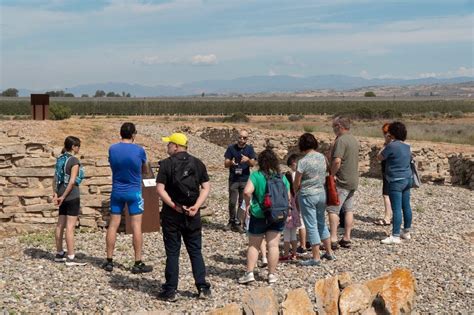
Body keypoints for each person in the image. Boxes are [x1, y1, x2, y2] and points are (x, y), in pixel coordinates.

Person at [156, 132, 211, 301]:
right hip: (193, 214)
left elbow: (160, 189)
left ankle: (171, 290)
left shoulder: (166, 164)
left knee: (173, 252)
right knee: (195, 251)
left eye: (169, 144)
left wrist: (174, 206)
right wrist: (196, 206)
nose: (167, 147)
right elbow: (206, 187)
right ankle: (202, 287)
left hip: (172, 214)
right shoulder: (198, 163)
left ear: (176, 146)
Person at [102, 122, 153, 274]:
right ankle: (137, 262)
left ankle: (109, 260)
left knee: (113, 225)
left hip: (117, 190)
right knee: (137, 226)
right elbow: (144, 169)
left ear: (121, 133)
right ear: (133, 134)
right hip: (133, 191)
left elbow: (112, 164)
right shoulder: (139, 150)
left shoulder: (112, 149)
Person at [238, 149, 290, 285]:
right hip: (277, 214)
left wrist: (248, 205)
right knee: (273, 245)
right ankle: (271, 275)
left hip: (259, 214)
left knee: (254, 245)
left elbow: (246, 192)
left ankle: (249, 273)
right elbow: (288, 196)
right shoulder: (281, 177)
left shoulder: (256, 175)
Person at [294, 133, 335, 266]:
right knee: (321, 222)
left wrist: (295, 192)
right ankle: (329, 252)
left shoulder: (303, 161)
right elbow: (328, 171)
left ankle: (316, 257)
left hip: (307, 194)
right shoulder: (322, 157)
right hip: (322, 193)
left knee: (311, 225)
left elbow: (297, 181)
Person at [326, 116, 360, 250]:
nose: (333, 129)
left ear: (339, 126)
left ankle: (333, 238)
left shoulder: (341, 140)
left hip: (342, 180)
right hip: (353, 179)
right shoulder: (353, 139)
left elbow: (337, 161)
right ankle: (347, 237)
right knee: (349, 209)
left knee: (333, 209)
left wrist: (332, 175)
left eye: (334, 127)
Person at [377, 122, 413, 244]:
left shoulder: (392, 146)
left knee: (396, 208)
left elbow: (379, 157)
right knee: (406, 206)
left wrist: (386, 143)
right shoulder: (407, 146)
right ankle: (406, 231)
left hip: (395, 180)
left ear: (392, 133)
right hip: (407, 179)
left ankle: (395, 235)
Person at [53, 136, 86, 266]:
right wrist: (64, 196)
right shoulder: (74, 160)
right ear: (73, 147)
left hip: (60, 192)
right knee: (70, 227)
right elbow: (72, 181)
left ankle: (59, 253)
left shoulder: (60, 159)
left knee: (60, 224)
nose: (79, 149)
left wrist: (56, 194)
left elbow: (55, 178)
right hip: (71, 195)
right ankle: (71, 257)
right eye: (78, 146)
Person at [224, 130, 257, 232]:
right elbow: (225, 164)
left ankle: (238, 222)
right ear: (237, 137)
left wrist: (247, 160)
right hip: (233, 179)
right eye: (240, 137)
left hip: (245, 179)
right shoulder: (231, 148)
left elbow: (253, 164)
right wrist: (231, 162)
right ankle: (231, 221)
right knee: (232, 202)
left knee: (242, 202)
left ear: (247, 139)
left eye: (244, 138)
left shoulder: (250, 149)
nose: (242, 139)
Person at [286, 154, 309, 254]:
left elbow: (294, 188)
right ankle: (308, 241)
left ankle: (303, 245)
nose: (291, 168)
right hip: (309, 197)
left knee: (302, 224)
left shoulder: (295, 174)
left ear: (294, 163)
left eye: (291, 165)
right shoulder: (306, 172)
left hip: (299, 199)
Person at [279, 170, 301, 261]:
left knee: (286, 236)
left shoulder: (284, 192)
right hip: (295, 214)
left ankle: (286, 254)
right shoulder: (294, 191)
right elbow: (297, 203)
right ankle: (294, 254)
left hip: (287, 214)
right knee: (293, 235)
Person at [374, 123, 393, 226]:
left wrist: (385, 143)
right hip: (396, 174)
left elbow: (379, 156)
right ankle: (394, 216)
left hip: (388, 173)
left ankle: (387, 217)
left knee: (386, 195)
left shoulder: (389, 146)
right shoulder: (400, 144)